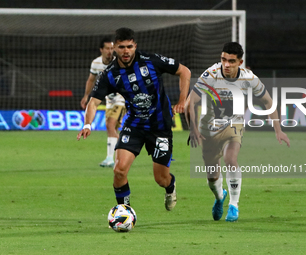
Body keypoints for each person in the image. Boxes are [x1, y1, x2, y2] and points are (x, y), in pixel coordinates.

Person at [77, 28, 191, 210]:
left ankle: (170, 186)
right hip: (134, 126)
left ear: (135, 46)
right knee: (119, 170)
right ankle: (124, 211)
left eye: (129, 46)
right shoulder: (109, 74)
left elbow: (184, 71)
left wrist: (182, 100)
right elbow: (93, 102)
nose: (126, 51)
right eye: (121, 47)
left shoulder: (151, 61)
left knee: (161, 179)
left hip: (160, 126)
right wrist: (88, 124)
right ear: (115, 49)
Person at [185, 42, 290, 221]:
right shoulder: (210, 74)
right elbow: (190, 103)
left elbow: (268, 101)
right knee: (212, 175)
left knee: (230, 158)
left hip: (234, 125)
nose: (226, 64)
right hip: (209, 127)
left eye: (231, 61)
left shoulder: (249, 78)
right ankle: (220, 197)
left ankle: (234, 205)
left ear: (239, 62)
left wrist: (278, 130)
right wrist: (193, 129)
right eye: (223, 60)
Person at [80, 37, 126, 167]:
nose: (110, 51)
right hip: (108, 100)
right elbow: (91, 80)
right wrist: (86, 96)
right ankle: (119, 157)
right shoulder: (96, 63)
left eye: (112, 48)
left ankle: (111, 158)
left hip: (122, 99)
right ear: (101, 50)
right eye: (107, 48)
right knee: (112, 129)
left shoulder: (120, 62)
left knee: (110, 125)